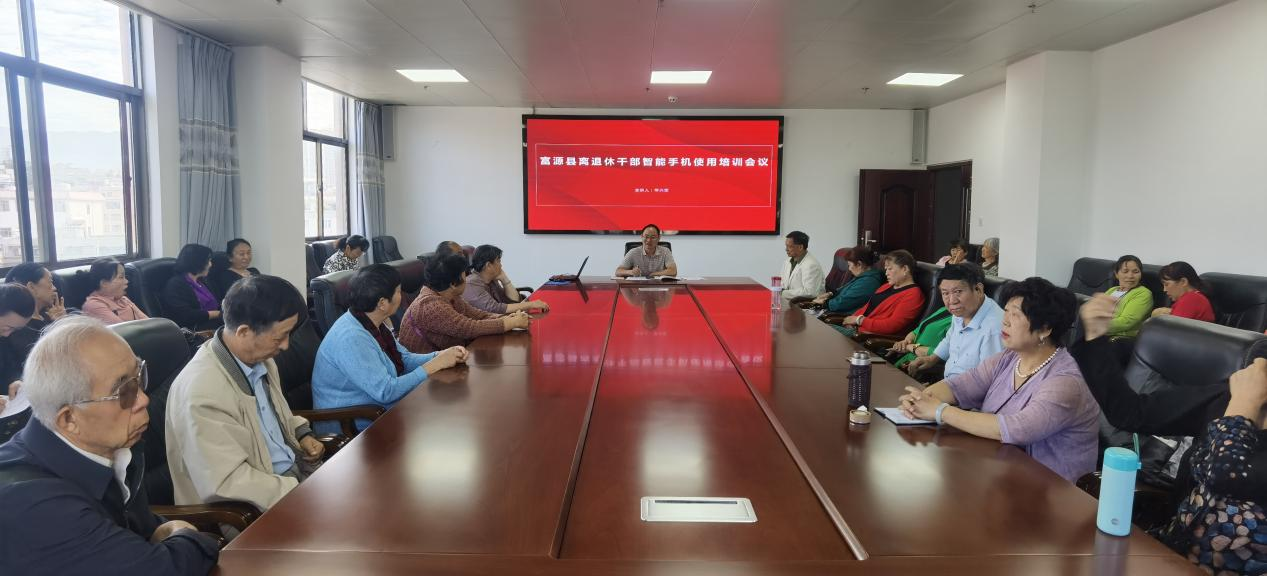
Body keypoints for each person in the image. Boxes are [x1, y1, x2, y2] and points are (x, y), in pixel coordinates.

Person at [0, 316, 219, 574]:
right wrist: (184, 533)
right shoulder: (32, 503)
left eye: (139, 377)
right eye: (125, 391)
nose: (144, 399)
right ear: (69, 419)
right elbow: (163, 569)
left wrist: (165, 535)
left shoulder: (111, 447)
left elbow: (140, 532)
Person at [1073, 294, 1265, 573]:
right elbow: (1131, 412)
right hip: (1174, 554)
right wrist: (1095, 338)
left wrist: (1242, 409)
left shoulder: (1242, 400)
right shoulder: (1231, 396)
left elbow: (1223, 476)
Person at [898, 277, 1099, 482]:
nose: (1005, 321)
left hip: (1051, 487)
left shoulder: (1066, 381)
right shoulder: (1009, 358)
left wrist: (940, 411)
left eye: (1016, 315)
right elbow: (959, 386)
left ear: (1045, 329)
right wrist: (921, 400)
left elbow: (1018, 429)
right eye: (1006, 311)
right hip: (1000, 471)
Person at [165, 275, 323, 512]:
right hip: (250, 509)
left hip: (289, 477)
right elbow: (228, 482)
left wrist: (301, 433)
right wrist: (300, 490)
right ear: (244, 332)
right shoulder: (202, 391)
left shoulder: (259, 358)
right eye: (280, 337)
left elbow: (273, 417)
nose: (285, 345)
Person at [312, 265, 469, 432]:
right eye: (399, 292)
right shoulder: (351, 337)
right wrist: (432, 366)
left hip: (378, 408)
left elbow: (403, 359)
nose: (402, 296)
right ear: (382, 303)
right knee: (446, 418)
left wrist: (440, 356)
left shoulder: (372, 321)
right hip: (352, 422)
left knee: (449, 406)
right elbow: (385, 391)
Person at [399, 254, 532, 353]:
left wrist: (508, 318)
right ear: (453, 283)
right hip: (427, 373)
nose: (467, 279)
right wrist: (510, 323)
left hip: (448, 358)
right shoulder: (430, 305)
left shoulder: (450, 295)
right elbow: (469, 328)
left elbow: (478, 315)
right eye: (464, 275)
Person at [903, 263, 1005, 379]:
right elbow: (950, 338)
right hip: (947, 382)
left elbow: (988, 379)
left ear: (978, 289)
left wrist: (941, 389)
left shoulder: (994, 329)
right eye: (945, 293)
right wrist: (932, 359)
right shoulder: (963, 310)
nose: (952, 301)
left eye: (958, 292)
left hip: (966, 389)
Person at [831, 249, 925, 338]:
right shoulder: (886, 286)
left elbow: (891, 325)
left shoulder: (913, 295)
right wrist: (851, 321)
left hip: (868, 337)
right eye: (886, 269)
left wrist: (859, 320)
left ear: (905, 269)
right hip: (856, 330)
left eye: (890, 269)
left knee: (825, 332)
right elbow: (866, 308)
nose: (886, 273)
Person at [465, 245, 550, 314]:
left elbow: (514, 301)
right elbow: (495, 309)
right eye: (498, 261)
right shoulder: (471, 284)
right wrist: (531, 304)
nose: (501, 265)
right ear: (489, 265)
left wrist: (504, 279)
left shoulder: (491, 280)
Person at [5, 262, 69, 355]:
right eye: (50, 282)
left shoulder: (50, 314)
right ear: (32, 287)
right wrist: (62, 325)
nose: (55, 288)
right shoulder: (18, 329)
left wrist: (63, 321)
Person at [0, 284, 36, 443]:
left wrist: (17, 380)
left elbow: (11, 366)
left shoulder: (3, 339)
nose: (8, 334)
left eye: (15, 330)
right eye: (7, 327)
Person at [162, 244, 223, 331]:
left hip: (214, 323)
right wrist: (216, 314)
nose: (210, 264)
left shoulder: (203, 281)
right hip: (194, 329)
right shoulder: (175, 285)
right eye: (208, 261)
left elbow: (218, 302)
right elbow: (185, 315)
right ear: (197, 262)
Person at [811, 245, 885, 313]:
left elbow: (843, 303)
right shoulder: (864, 277)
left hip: (842, 317)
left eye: (849, 265)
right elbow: (843, 289)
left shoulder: (868, 282)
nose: (849, 269)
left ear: (859, 264)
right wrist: (830, 294)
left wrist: (824, 303)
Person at [82, 258, 148, 325]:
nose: (126, 281)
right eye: (121, 277)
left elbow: (148, 322)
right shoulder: (93, 305)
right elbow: (124, 329)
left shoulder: (124, 299)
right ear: (104, 283)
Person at [887, 305, 952, 372]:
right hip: (902, 362)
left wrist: (911, 347)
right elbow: (916, 331)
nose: (951, 300)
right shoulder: (944, 309)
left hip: (920, 370)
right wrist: (905, 342)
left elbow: (946, 354)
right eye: (946, 296)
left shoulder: (957, 320)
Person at [1105, 254, 1154, 338]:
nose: (1130, 276)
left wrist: (1095, 325)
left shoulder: (1143, 293)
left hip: (1120, 339)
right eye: (1125, 271)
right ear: (1116, 274)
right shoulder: (1112, 290)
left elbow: (1126, 322)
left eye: (1135, 272)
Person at [778, 230, 825, 301]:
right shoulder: (787, 261)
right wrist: (778, 290)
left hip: (806, 305)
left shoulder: (812, 265)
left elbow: (810, 292)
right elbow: (782, 283)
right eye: (786, 246)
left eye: (789, 246)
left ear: (800, 247)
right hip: (790, 301)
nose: (786, 249)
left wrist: (783, 293)